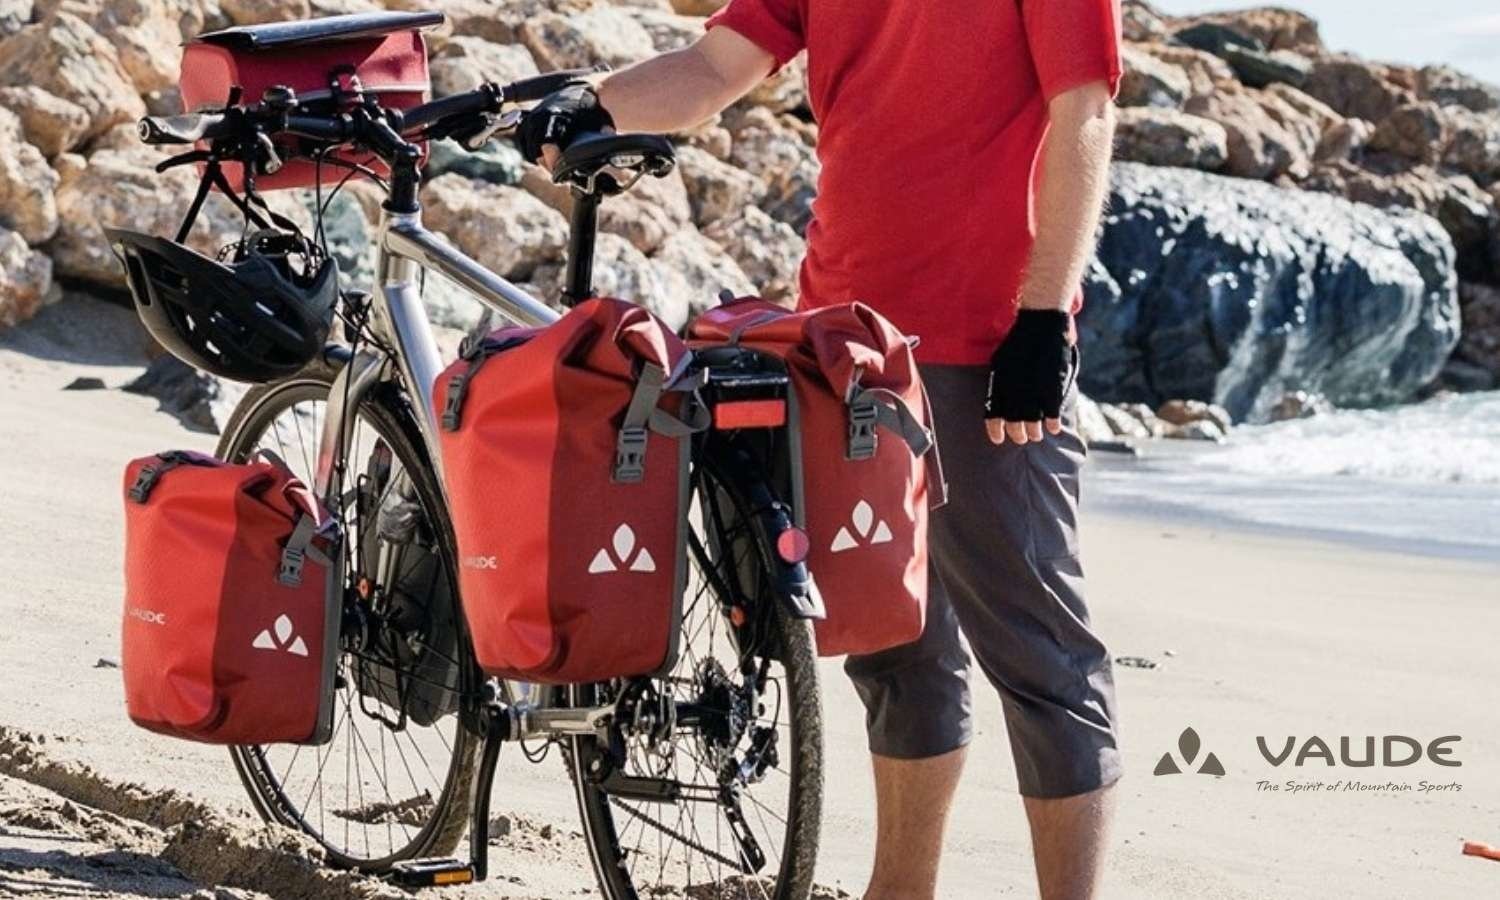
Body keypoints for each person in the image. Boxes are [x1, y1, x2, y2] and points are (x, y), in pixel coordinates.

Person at [514, 2, 1124, 897]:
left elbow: (1086, 110)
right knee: (895, 643)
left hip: (986, 345)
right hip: (843, 344)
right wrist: (595, 103)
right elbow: (718, 66)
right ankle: (898, 888)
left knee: (1038, 652)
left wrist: (1043, 317)